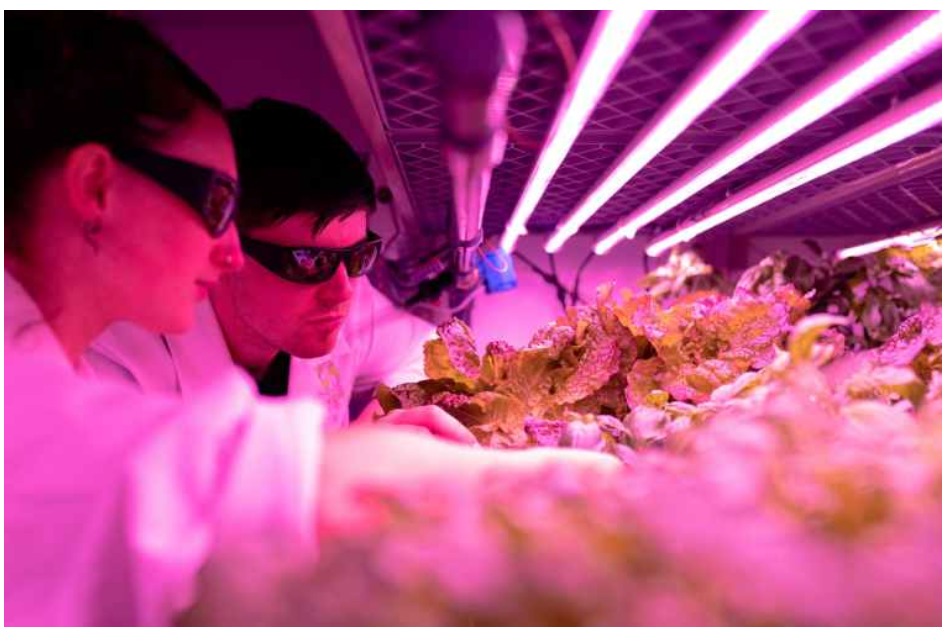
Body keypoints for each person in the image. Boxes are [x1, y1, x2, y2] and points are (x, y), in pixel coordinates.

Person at [4, 11, 617, 626]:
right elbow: (219, 486)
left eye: (358, 257)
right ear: (96, 187)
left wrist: (381, 426)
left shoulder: (42, 356)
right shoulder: (52, 399)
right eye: (215, 204)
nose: (228, 252)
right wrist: (596, 483)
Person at [86, 99, 468, 439]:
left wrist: (381, 425)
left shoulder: (344, 289)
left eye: (358, 255)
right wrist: (338, 463)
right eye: (308, 261)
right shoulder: (116, 360)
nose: (342, 291)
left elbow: (436, 350)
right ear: (224, 250)